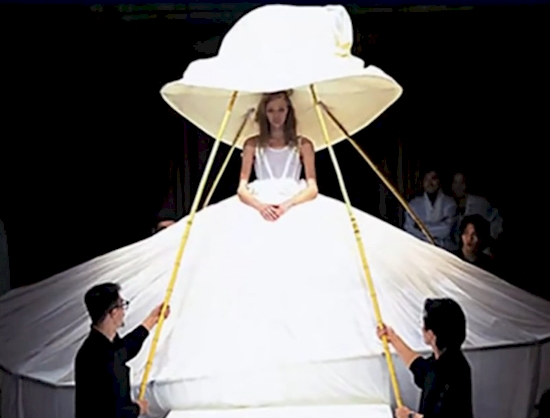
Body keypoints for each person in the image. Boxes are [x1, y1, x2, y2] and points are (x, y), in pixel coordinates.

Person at [0, 91, 507, 416]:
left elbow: (314, 184)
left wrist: (289, 203)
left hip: (297, 206)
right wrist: (260, 203)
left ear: (290, 110)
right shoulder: (250, 143)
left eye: (282, 109)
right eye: (272, 109)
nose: (277, 115)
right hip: (258, 206)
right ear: (265, 111)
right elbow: (241, 185)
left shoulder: (304, 142)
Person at [75, 283, 170, 418]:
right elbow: (112, 411)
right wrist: (137, 408)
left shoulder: (99, 345)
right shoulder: (99, 357)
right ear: (113, 313)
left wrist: (151, 320)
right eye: (122, 305)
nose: (124, 312)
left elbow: (125, 348)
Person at [377, 298, 473, 418]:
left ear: (432, 334)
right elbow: (419, 367)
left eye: (424, 326)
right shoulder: (446, 359)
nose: (422, 329)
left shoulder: (452, 370)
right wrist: (392, 338)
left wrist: (409, 416)